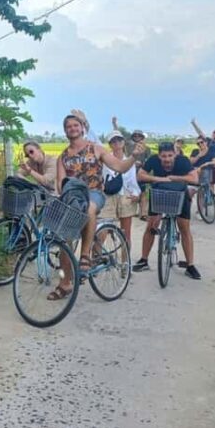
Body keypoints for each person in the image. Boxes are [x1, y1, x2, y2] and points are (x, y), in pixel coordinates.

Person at [50, 114, 144, 298]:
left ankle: (85, 255)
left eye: (76, 125)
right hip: (73, 197)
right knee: (64, 240)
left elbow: (120, 167)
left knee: (90, 207)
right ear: (65, 131)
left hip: (94, 193)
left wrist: (133, 156)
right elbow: (60, 184)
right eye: (68, 126)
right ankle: (65, 284)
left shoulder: (96, 149)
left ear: (82, 127)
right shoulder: (62, 157)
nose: (73, 128)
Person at [133, 141, 201, 280]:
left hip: (180, 194)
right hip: (160, 193)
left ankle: (190, 265)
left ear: (175, 154)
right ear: (159, 156)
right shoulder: (153, 159)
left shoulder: (183, 161)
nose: (167, 159)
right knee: (151, 226)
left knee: (184, 228)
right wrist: (158, 179)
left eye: (170, 155)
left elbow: (194, 178)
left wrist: (176, 178)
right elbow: (140, 175)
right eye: (164, 156)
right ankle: (144, 259)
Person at [99, 130, 141, 248]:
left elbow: (133, 180)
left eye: (119, 140)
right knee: (102, 230)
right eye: (113, 141)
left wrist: (136, 193)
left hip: (125, 195)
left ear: (123, 142)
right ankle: (96, 260)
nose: (116, 143)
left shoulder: (129, 161)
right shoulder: (104, 159)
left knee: (125, 233)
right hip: (108, 195)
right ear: (110, 144)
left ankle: (125, 263)